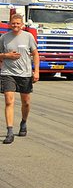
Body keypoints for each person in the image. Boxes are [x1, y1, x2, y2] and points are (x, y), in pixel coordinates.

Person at [0, 14, 40, 144]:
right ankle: (9, 132)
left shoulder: (28, 36)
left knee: (26, 102)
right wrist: (6, 55)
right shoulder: (4, 38)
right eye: (13, 23)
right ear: (9, 24)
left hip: (25, 74)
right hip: (8, 73)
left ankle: (23, 122)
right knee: (8, 101)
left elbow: (35, 54)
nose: (15, 25)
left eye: (18, 23)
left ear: (21, 24)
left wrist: (36, 72)